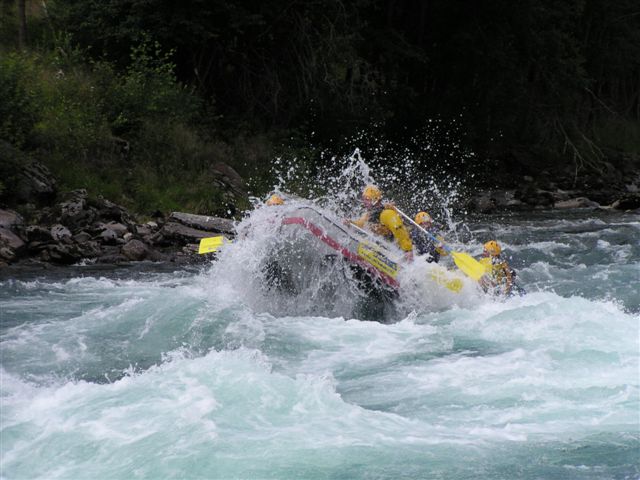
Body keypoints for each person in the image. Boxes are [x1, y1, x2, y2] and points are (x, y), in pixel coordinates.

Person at [347, 185, 413, 257]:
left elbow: (398, 228)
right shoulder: (370, 215)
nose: (364, 202)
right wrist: (350, 223)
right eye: (364, 199)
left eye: (367, 199)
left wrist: (408, 250)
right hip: (389, 246)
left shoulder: (386, 213)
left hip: (402, 246)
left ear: (375, 200)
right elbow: (361, 224)